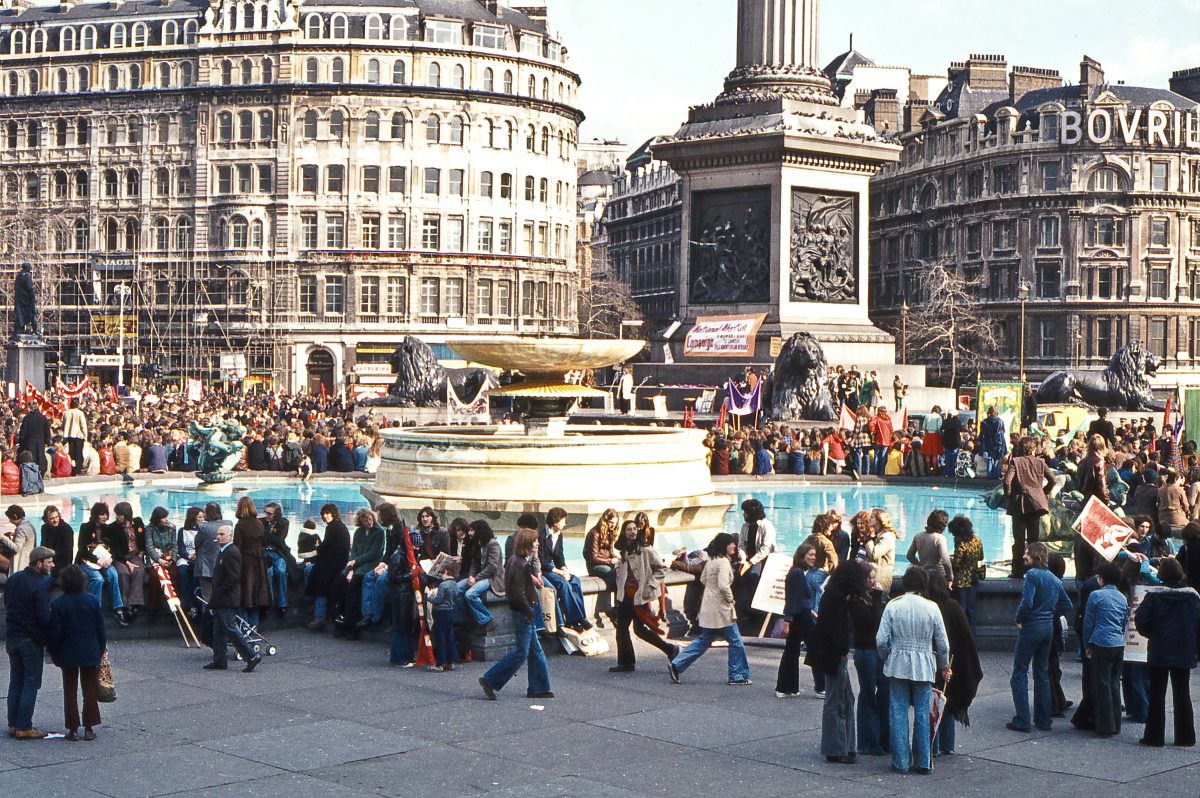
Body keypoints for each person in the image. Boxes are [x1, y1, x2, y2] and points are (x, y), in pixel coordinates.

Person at [876, 567, 950, 775]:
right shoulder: (932, 607)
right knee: (922, 712)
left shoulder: (893, 605)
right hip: (924, 661)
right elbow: (943, 643)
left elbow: (881, 640)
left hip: (898, 659)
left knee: (898, 710)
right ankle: (923, 760)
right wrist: (944, 666)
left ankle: (900, 761)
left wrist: (886, 655)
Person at [668, 532, 751, 687]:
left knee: (703, 641)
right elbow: (723, 585)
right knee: (736, 641)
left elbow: (703, 579)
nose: (734, 546)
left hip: (708, 606)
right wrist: (730, 599)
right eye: (731, 543)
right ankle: (737, 674)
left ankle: (677, 664)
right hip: (722, 609)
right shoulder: (724, 563)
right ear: (725, 546)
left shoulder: (711, 560)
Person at [479, 528, 553, 700]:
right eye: (535, 541)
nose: (537, 544)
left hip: (521, 610)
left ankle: (539, 687)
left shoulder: (514, 560)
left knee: (536, 651)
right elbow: (518, 592)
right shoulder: (521, 564)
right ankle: (491, 679)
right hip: (523, 612)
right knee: (522, 652)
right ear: (527, 543)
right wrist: (529, 610)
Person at [1134, 558, 1200, 747]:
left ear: (1161, 574)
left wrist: (1153, 635)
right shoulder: (1192, 597)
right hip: (1184, 649)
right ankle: (1186, 736)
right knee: (1182, 693)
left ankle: (1154, 736)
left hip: (1159, 649)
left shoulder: (1154, 596)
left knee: (1156, 694)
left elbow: (1141, 621)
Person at [807, 560, 866, 764]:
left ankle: (844, 745)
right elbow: (836, 630)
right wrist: (843, 649)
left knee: (844, 698)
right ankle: (837, 747)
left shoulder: (834, 595)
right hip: (834, 654)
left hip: (830, 653)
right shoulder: (837, 598)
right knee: (838, 700)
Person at [1008, 542, 1072, 732]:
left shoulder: (1032, 576)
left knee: (1019, 673)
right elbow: (1067, 605)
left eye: (1026, 553)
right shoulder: (1054, 578)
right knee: (1042, 673)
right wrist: (1050, 613)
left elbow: (1027, 602)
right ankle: (1044, 720)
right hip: (1048, 628)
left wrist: (1019, 618)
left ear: (1034, 556)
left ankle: (1022, 719)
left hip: (1032, 627)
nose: (1023, 557)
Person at [926, 569, 983, 758]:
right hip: (952, 660)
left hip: (929, 660)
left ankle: (932, 744)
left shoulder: (927, 606)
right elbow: (966, 638)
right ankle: (947, 744)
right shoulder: (953, 607)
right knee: (946, 700)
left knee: (931, 702)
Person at [609, 519, 678, 673]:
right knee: (622, 628)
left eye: (634, 529)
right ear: (624, 533)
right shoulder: (624, 551)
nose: (633, 532)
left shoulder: (646, 549)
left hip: (639, 596)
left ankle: (670, 649)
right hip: (626, 595)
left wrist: (651, 585)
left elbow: (661, 569)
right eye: (629, 529)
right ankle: (626, 662)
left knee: (639, 630)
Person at [48, 564, 106, 741]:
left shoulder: (58, 604)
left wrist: (54, 653)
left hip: (68, 652)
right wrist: (101, 649)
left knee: (70, 689)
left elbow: (55, 633)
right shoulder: (92, 600)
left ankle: (72, 728)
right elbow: (100, 630)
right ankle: (89, 727)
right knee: (89, 689)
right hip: (90, 650)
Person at [5, 545, 55, 739]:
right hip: (30, 640)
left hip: (12, 637)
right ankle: (24, 726)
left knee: (16, 681)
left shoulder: (14, 579)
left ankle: (13, 723)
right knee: (31, 682)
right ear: (39, 563)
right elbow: (43, 618)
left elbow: (8, 604)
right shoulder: (42, 584)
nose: (52, 565)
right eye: (49, 562)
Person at [204, 524, 262, 672]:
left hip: (227, 598)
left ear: (230, 536)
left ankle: (251, 655)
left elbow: (234, 577)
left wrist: (221, 592)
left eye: (222, 534)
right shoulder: (225, 551)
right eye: (217, 534)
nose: (218, 537)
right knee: (219, 630)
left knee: (230, 628)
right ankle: (219, 660)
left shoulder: (231, 552)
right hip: (221, 597)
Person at [1082, 560, 1128, 737]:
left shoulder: (1095, 596)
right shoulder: (1122, 597)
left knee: (1102, 684)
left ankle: (1105, 725)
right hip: (1118, 643)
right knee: (1114, 683)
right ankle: (1116, 722)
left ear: (1101, 579)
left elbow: (1088, 623)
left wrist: (1087, 645)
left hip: (1101, 642)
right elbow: (1124, 621)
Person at [849, 562, 889, 756]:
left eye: (874, 577)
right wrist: (877, 597)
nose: (873, 581)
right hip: (865, 649)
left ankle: (882, 737)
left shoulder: (873, 597)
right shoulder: (856, 600)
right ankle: (868, 741)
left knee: (884, 692)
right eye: (869, 578)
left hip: (878, 649)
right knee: (867, 694)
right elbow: (871, 622)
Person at [1003, 436, 1054, 578]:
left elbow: (1007, 481)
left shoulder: (1016, 462)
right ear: (1033, 448)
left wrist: (1009, 495)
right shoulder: (1040, 462)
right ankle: (1035, 569)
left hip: (1019, 504)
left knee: (1018, 540)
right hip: (1035, 505)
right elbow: (1053, 480)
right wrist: (1043, 493)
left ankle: (1018, 571)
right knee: (1034, 540)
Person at [332, 508, 385, 638]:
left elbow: (374, 554)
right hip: (356, 564)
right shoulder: (358, 532)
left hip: (369, 564)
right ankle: (340, 616)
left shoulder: (379, 532)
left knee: (353, 588)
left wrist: (355, 562)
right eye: (365, 520)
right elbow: (354, 551)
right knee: (339, 582)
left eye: (370, 519)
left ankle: (352, 624)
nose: (368, 522)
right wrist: (351, 565)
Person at [775, 543, 818, 699]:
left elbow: (796, 598)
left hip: (799, 615)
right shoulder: (798, 574)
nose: (813, 557)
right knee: (815, 649)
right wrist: (787, 621)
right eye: (810, 554)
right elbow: (793, 599)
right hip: (800, 617)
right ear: (802, 555)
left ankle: (787, 687)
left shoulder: (796, 572)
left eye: (814, 555)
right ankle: (820, 686)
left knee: (792, 651)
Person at [539, 507, 591, 632]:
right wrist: (558, 571)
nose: (565, 524)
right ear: (555, 521)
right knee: (563, 584)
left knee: (575, 581)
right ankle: (573, 620)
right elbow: (541, 561)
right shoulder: (541, 535)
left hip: (556, 568)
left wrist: (564, 568)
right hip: (545, 570)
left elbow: (559, 555)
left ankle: (581, 617)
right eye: (562, 521)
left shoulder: (559, 535)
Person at [305, 503, 350, 631]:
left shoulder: (333, 528)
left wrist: (318, 548)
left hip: (334, 565)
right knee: (315, 573)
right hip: (336, 562)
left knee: (318, 580)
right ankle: (316, 609)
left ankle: (318, 615)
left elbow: (326, 548)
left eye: (327, 513)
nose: (325, 516)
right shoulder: (338, 526)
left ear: (333, 514)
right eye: (323, 514)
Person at [103, 502, 145, 621]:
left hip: (135, 555)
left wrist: (142, 551)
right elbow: (114, 550)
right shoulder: (113, 528)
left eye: (119, 515)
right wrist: (126, 562)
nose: (117, 517)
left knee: (138, 571)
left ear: (126, 515)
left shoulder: (138, 523)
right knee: (123, 573)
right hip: (121, 557)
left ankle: (135, 604)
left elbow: (142, 539)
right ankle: (124, 604)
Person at [233, 497, 270, 628]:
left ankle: (244, 626)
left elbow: (237, 546)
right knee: (256, 594)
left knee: (244, 595)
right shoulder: (259, 524)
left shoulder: (240, 526)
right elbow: (265, 542)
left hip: (245, 562)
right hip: (259, 561)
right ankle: (255, 626)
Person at [460, 519, 502, 628]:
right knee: (456, 588)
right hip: (479, 576)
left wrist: (476, 578)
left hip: (493, 578)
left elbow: (492, 567)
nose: (469, 533)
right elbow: (474, 563)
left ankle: (487, 619)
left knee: (470, 595)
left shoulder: (493, 544)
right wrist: (470, 576)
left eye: (472, 530)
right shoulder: (477, 544)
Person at [949, 515, 984, 635]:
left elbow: (957, 564)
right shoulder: (977, 540)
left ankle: (961, 634)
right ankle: (972, 634)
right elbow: (981, 557)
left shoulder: (961, 544)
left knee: (962, 609)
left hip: (961, 580)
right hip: (973, 577)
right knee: (971, 609)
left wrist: (951, 560)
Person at [584, 509, 619, 628]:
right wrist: (610, 561)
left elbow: (610, 552)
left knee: (620, 572)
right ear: (605, 520)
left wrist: (617, 558)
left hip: (607, 563)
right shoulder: (594, 533)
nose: (613, 525)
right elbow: (593, 558)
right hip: (594, 566)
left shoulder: (609, 532)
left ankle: (618, 606)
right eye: (611, 522)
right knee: (613, 573)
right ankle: (611, 609)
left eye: (615, 523)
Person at [425, 560, 460, 672]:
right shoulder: (455, 584)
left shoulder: (443, 585)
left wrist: (428, 596)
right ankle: (451, 662)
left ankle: (440, 663)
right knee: (449, 636)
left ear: (446, 572)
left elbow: (438, 600)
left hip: (440, 612)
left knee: (440, 637)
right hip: (450, 611)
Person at [906, 509, 953, 582]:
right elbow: (946, 562)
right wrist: (950, 578)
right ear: (943, 525)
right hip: (938, 576)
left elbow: (909, 556)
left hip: (924, 575)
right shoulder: (940, 538)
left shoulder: (918, 536)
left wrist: (920, 566)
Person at [1, 504, 36, 580]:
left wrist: (2, 538)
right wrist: (14, 535)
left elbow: (16, 549)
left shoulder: (21, 529)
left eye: (10, 518)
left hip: (20, 564)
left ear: (15, 516)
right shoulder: (29, 525)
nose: (10, 521)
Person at [40, 506, 75, 581]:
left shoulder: (67, 529)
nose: (55, 520)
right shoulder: (45, 528)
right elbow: (43, 547)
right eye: (52, 518)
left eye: (56, 517)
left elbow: (67, 552)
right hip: (48, 560)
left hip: (62, 562)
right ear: (46, 519)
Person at [979, 406, 1008, 480]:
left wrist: (981, 446)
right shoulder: (1000, 422)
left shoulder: (984, 422)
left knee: (989, 461)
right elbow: (1002, 434)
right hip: (998, 444)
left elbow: (981, 435)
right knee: (997, 462)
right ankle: (995, 477)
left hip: (988, 444)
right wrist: (1004, 447)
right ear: (996, 413)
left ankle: (989, 478)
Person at [62, 399, 88, 476]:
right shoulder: (80, 413)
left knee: (70, 454)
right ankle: (78, 470)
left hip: (68, 436)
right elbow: (83, 426)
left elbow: (63, 425)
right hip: (78, 436)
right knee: (78, 455)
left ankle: (71, 469)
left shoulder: (65, 413)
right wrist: (85, 436)